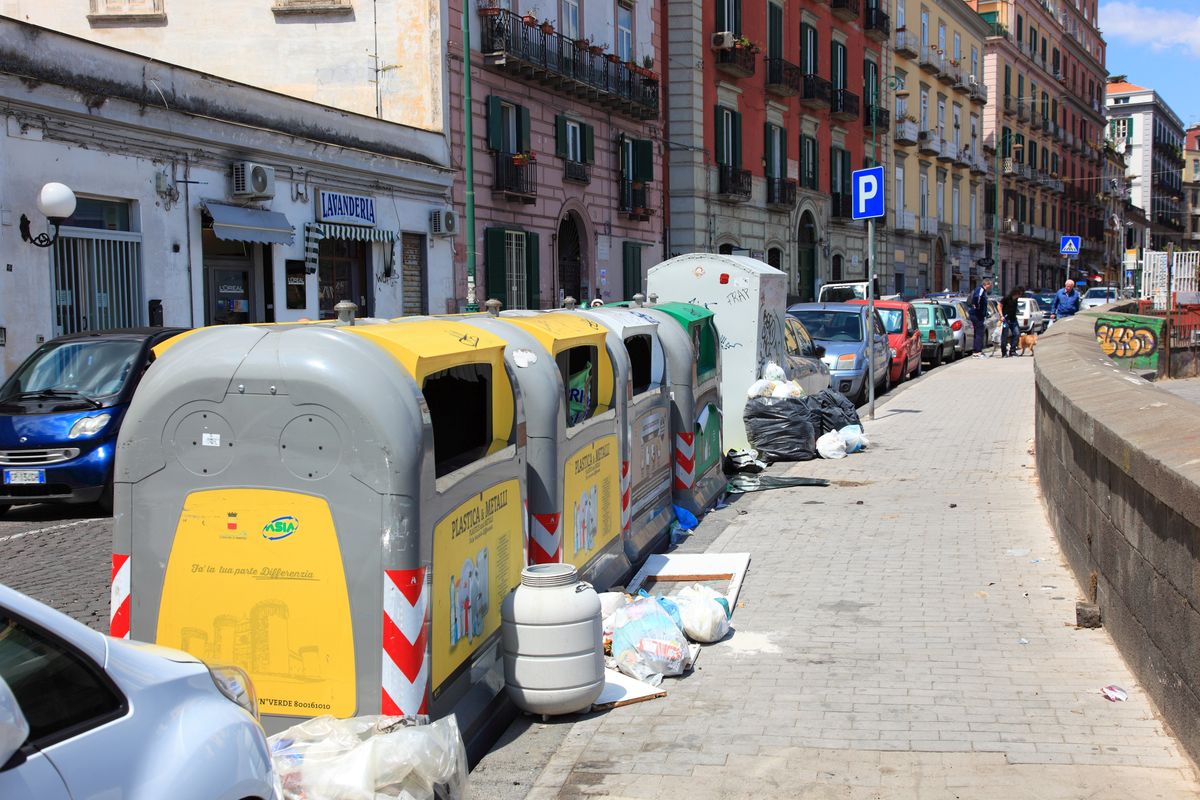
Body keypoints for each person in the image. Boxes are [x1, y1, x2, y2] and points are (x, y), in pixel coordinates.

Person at [969, 278, 992, 358]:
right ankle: (977, 352)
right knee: (979, 333)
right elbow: (976, 297)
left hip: (977, 314)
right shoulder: (981, 289)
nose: (990, 287)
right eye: (990, 285)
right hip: (977, 315)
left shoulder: (981, 290)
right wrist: (977, 306)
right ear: (987, 284)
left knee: (977, 333)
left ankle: (976, 351)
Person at [1000, 286, 1022, 358]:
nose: (1020, 296)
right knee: (1005, 335)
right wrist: (1001, 315)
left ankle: (1012, 351)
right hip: (1006, 319)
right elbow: (999, 306)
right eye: (1019, 294)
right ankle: (1004, 352)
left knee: (1017, 333)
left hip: (1013, 319)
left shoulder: (1016, 299)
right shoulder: (1007, 298)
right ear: (1015, 293)